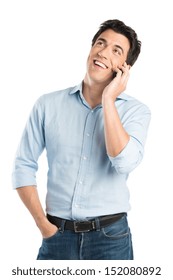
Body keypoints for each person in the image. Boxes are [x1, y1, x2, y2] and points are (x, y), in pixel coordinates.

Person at [12, 19, 151, 260]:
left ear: (125, 67)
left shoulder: (136, 111)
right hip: (56, 236)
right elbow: (23, 166)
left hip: (111, 240)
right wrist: (43, 226)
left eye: (116, 51)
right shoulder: (47, 105)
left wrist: (109, 100)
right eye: (100, 43)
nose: (103, 52)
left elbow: (124, 163)